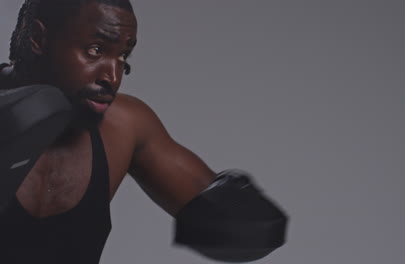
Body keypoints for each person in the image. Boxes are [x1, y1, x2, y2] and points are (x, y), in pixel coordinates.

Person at [0, 0, 287, 263]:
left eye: (122, 56)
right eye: (95, 50)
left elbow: (221, 214)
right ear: (38, 39)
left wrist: (238, 215)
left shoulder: (123, 126)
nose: (111, 77)